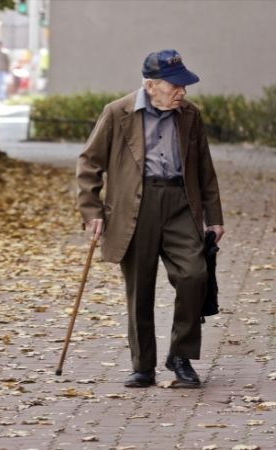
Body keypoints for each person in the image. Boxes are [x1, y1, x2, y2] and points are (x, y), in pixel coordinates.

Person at [76, 49, 225, 388]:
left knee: (194, 274)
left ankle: (181, 356)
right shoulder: (118, 113)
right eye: (175, 86)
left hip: (180, 203)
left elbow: (205, 168)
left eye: (183, 86)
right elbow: (89, 164)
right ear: (150, 85)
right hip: (134, 206)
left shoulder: (189, 115)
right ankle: (143, 366)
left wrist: (214, 217)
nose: (182, 92)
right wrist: (91, 211)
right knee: (139, 288)